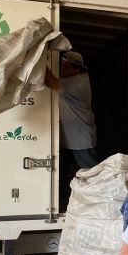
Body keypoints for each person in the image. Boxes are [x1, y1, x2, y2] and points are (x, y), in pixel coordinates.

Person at [44, 51, 98, 211]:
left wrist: (38, 57)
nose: (62, 70)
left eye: (66, 67)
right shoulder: (71, 80)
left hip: (81, 139)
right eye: (61, 66)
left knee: (92, 175)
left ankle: (98, 204)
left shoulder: (77, 83)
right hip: (68, 139)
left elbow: (49, 81)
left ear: (77, 69)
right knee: (61, 173)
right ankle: (63, 203)